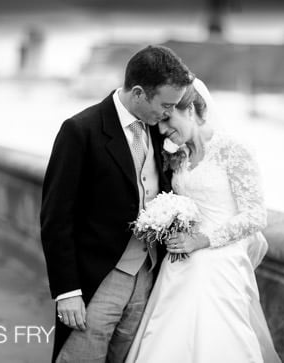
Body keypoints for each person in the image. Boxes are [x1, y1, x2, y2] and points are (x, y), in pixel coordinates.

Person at [40, 45, 193, 363]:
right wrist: (67, 291)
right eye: (165, 104)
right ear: (139, 93)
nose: (168, 114)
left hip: (147, 278)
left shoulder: (155, 130)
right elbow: (56, 217)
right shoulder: (80, 131)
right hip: (98, 281)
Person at [125, 79, 281, 363]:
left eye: (168, 119)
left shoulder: (233, 150)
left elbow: (256, 215)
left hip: (218, 256)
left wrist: (203, 240)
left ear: (192, 110)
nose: (162, 129)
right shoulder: (179, 155)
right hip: (181, 255)